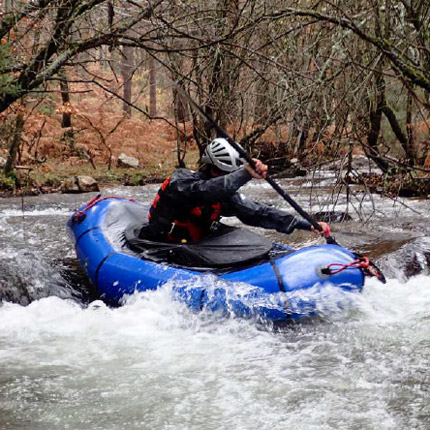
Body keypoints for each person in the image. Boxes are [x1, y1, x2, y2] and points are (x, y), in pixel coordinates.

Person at [147, 137, 330, 243]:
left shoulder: (226, 196)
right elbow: (204, 192)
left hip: (193, 248)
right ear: (209, 167)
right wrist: (244, 174)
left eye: (229, 174)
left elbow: (260, 213)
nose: (225, 177)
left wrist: (308, 224)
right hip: (160, 244)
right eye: (221, 172)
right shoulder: (180, 181)